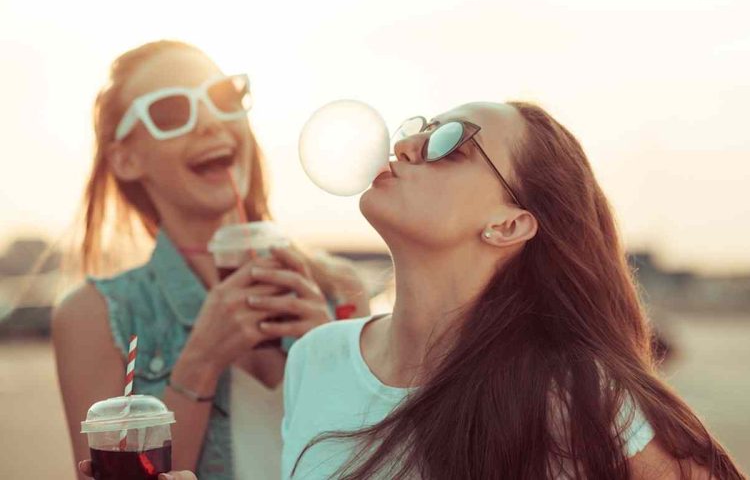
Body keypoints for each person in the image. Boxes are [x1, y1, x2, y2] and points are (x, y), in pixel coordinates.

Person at [278, 103, 745, 479]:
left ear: (508, 225)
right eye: (419, 127)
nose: (404, 144)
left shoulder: (571, 393)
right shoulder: (316, 358)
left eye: (450, 144)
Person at [52, 40, 369, 480]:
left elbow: (383, 459)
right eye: (170, 112)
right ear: (125, 158)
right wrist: (200, 363)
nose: (210, 122)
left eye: (223, 98)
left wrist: (331, 357)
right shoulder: (94, 316)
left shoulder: (340, 288)